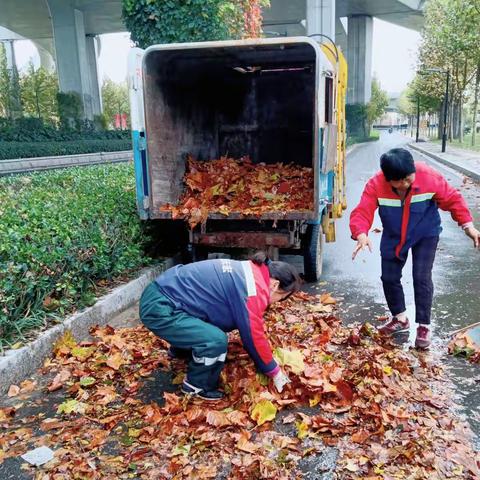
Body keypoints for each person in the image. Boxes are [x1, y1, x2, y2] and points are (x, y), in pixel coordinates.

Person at [350, 148, 480, 349]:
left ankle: (424, 326)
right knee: (389, 277)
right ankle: (400, 318)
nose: (405, 185)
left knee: (422, 277)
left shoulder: (428, 177)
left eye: (408, 179)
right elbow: (363, 211)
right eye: (399, 181)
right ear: (387, 178)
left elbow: (453, 199)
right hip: (394, 235)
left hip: (425, 233)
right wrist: (361, 233)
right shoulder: (376, 184)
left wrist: (468, 226)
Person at [139, 252, 302, 401]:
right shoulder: (254, 290)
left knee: (219, 320)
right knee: (216, 340)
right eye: (280, 298)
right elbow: (253, 337)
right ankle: (197, 386)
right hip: (160, 307)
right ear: (275, 286)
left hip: (166, 294)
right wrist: (274, 371)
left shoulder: (252, 270)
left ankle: (182, 350)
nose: (275, 303)